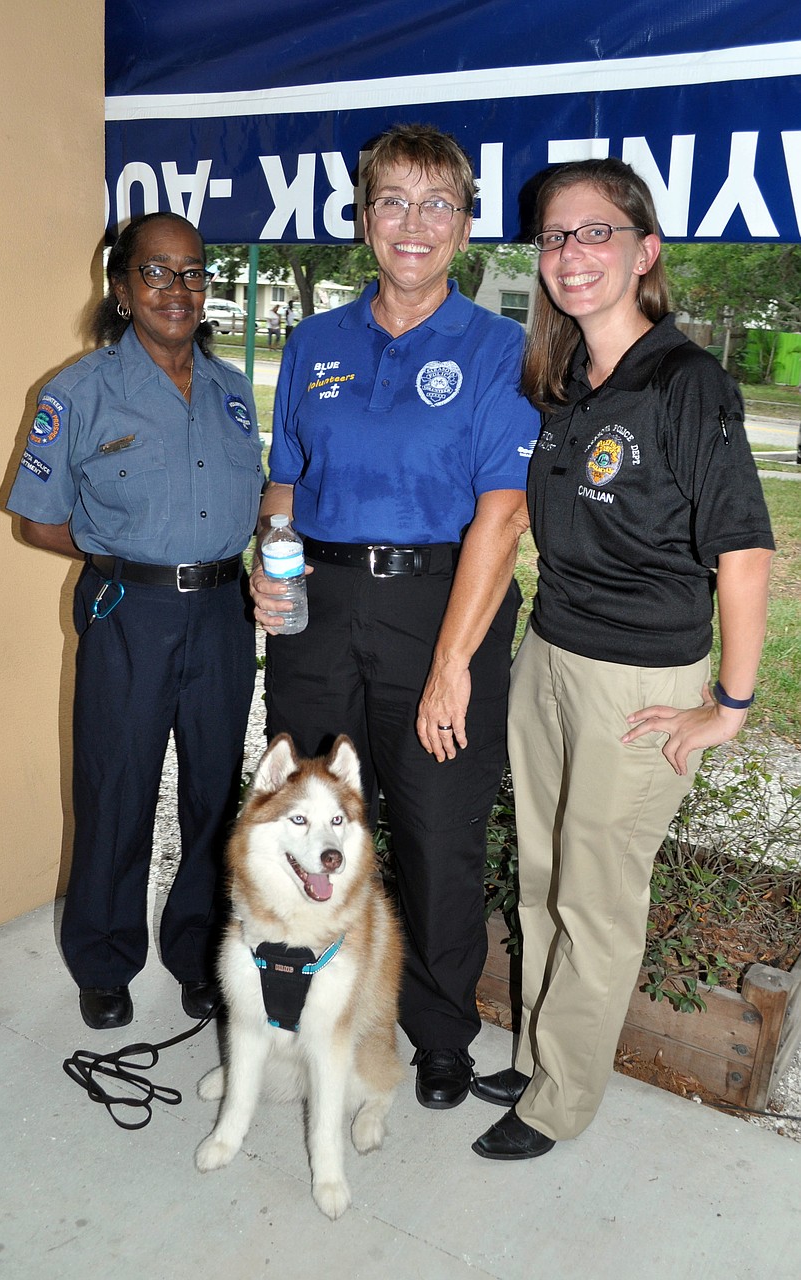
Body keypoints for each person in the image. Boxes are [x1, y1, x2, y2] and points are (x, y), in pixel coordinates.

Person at [470, 158, 774, 1160]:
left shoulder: (686, 381)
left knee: (595, 895)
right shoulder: (564, 381)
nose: (570, 254)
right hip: (550, 652)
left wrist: (725, 705)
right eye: (555, 237)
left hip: (639, 683)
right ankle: (542, 1048)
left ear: (644, 252)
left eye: (594, 232)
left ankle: (559, 1099)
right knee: (544, 871)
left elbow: (743, 553)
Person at [249, 123, 539, 1110]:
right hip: (317, 609)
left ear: (464, 225)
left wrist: (453, 661)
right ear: (362, 217)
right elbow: (284, 481)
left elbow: (502, 514)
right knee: (308, 815)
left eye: (436, 204)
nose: (412, 223)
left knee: (435, 829)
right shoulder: (315, 342)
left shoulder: (503, 348)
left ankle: (440, 1029)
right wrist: (269, 564)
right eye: (392, 202)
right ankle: (301, 998)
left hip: (441, 606)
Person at [6, 212, 263, 1030]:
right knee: (116, 786)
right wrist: (125, 553)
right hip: (130, 611)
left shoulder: (229, 392)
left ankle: (197, 954)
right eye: (157, 272)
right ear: (121, 289)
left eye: (192, 273)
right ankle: (105, 959)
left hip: (224, 611)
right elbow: (37, 520)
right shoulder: (77, 391)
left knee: (216, 791)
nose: (177, 289)